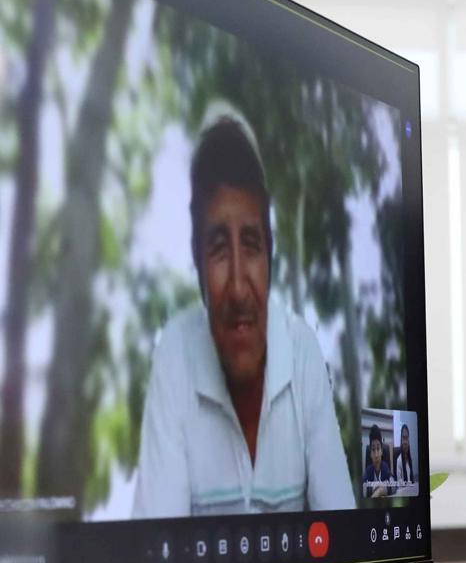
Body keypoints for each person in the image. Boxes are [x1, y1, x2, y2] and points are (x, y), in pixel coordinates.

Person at [133, 115, 354, 517]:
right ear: (198, 264)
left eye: (251, 245)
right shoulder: (175, 357)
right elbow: (157, 559)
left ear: (270, 258)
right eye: (218, 248)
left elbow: (344, 541)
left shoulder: (301, 350)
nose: (237, 287)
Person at [363, 424, 393, 496]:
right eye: (373, 449)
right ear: (370, 454)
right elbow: (362, 488)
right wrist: (379, 488)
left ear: (382, 451)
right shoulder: (368, 470)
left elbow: (394, 484)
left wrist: (380, 491)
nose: (376, 455)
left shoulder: (385, 467)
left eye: (378, 449)